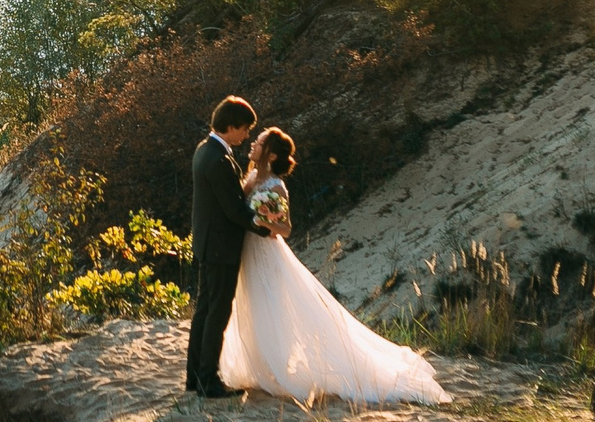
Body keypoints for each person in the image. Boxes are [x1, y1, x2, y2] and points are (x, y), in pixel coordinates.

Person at [219, 126, 448, 405]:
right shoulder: (252, 176)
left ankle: (277, 369)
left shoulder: (275, 186)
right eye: (255, 140)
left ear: (272, 153)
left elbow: (286, 228)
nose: (254, 143)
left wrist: (262, 220)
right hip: (247, 250)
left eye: (260, 141)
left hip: (266, 252)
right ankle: (259, 367)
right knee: (251, 305)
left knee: (271, 307)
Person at [185, 95, 265, 397]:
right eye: (244, 129)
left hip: (209, 244)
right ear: (230, 126)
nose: (246, 136)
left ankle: (195, 378)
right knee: (216, 313)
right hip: (220, 247)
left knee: (205, 311)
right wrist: (264, 226)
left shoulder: (204, 151)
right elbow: (233, 209)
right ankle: (208, 380)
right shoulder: (218, 160)